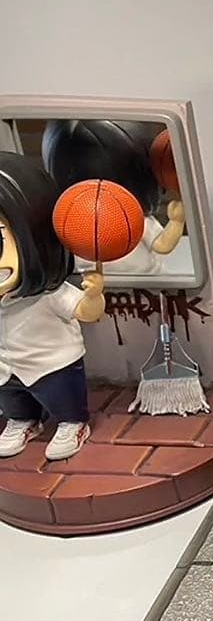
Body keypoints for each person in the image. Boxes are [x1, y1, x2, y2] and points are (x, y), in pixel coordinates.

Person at [0, 153, 105, 460]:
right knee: (13, 400)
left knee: (63, 400)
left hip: (53, 365)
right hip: (5, 368)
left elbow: (88, 313)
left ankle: (73, 424)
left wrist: (94, 295)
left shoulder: (50, 295)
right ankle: (23, 421)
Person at [42, 119, 186, 277]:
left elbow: (162, 245)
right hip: (97, 287)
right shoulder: (68, 227)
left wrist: (176, 222)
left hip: (145, 284)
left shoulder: (134, 219)